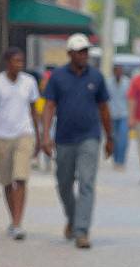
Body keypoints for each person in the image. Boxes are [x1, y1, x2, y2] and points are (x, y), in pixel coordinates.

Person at [42, 33, 113, 249]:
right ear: (70, 53)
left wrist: (110, 138)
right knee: (63, 183)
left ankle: (82, 231)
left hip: (89, 137)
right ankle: (72, 220)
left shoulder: (96, 77)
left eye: (86, 51)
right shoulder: (58, 77)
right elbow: (49, 106)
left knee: (86, 182)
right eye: (80, 52)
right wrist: (45, 135)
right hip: (64, 138)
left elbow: (104, 108)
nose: (84, 55)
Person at [0, 47, 40, 240]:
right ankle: (13, 219)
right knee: (8, 181)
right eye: (16, 61)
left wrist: (39, 138)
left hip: (25, 134)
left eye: (21, 61)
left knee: (20, 178)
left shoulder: (29, 82)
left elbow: (34, 111)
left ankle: (18, 223)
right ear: (7, 62)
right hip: (3, 137)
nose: (19, 64)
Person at [106, 64, 130, 169]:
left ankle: (121, 160)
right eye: (117, 71)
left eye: (120, 71)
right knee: (114, 138)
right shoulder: (108, 83)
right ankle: (115, 160)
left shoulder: (127, 83)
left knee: (123, 138)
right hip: (112, 114)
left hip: (124, 114)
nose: (118, 74)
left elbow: (131, 99)